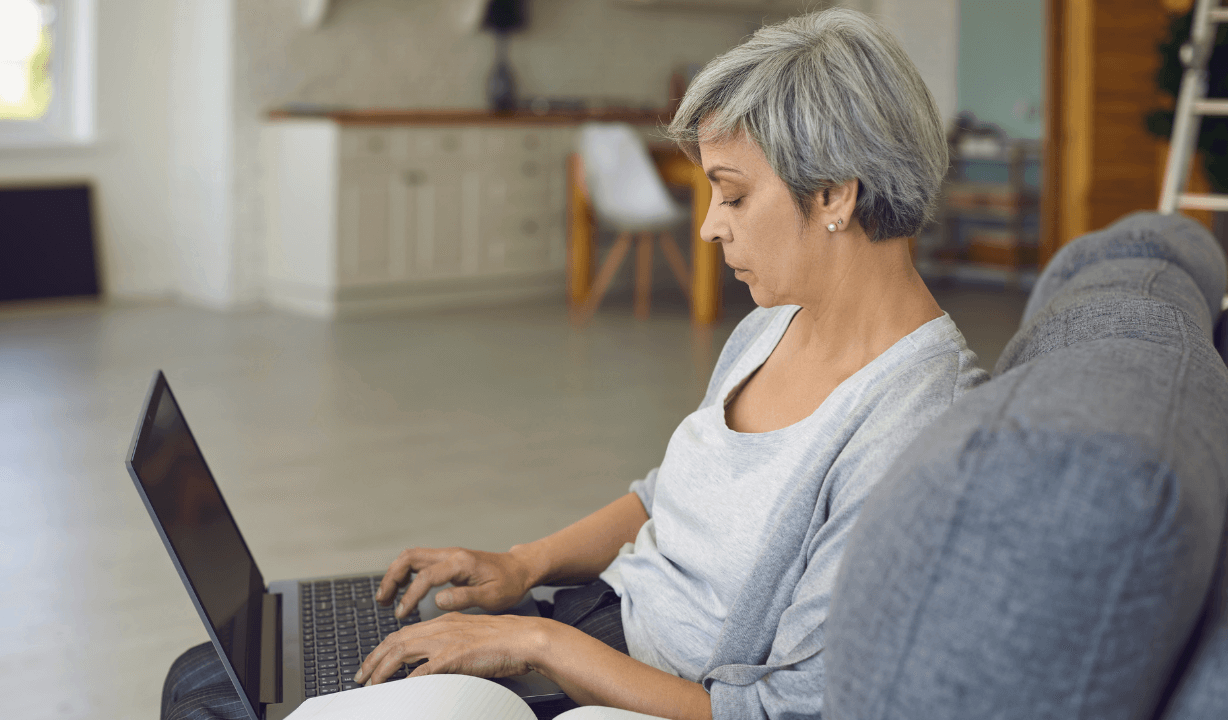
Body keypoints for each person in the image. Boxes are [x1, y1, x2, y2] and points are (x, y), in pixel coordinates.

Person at [162, 8, 988, 720]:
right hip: (586, 616)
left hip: (621, 678)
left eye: (733, 195)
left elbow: (782, 710)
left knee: (216, 695)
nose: (708, 228)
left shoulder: (911, 424)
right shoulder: (774, 326)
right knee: (221, 667)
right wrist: (520, 566)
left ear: (837, 194)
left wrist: (531, 641)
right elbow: (665, 498)